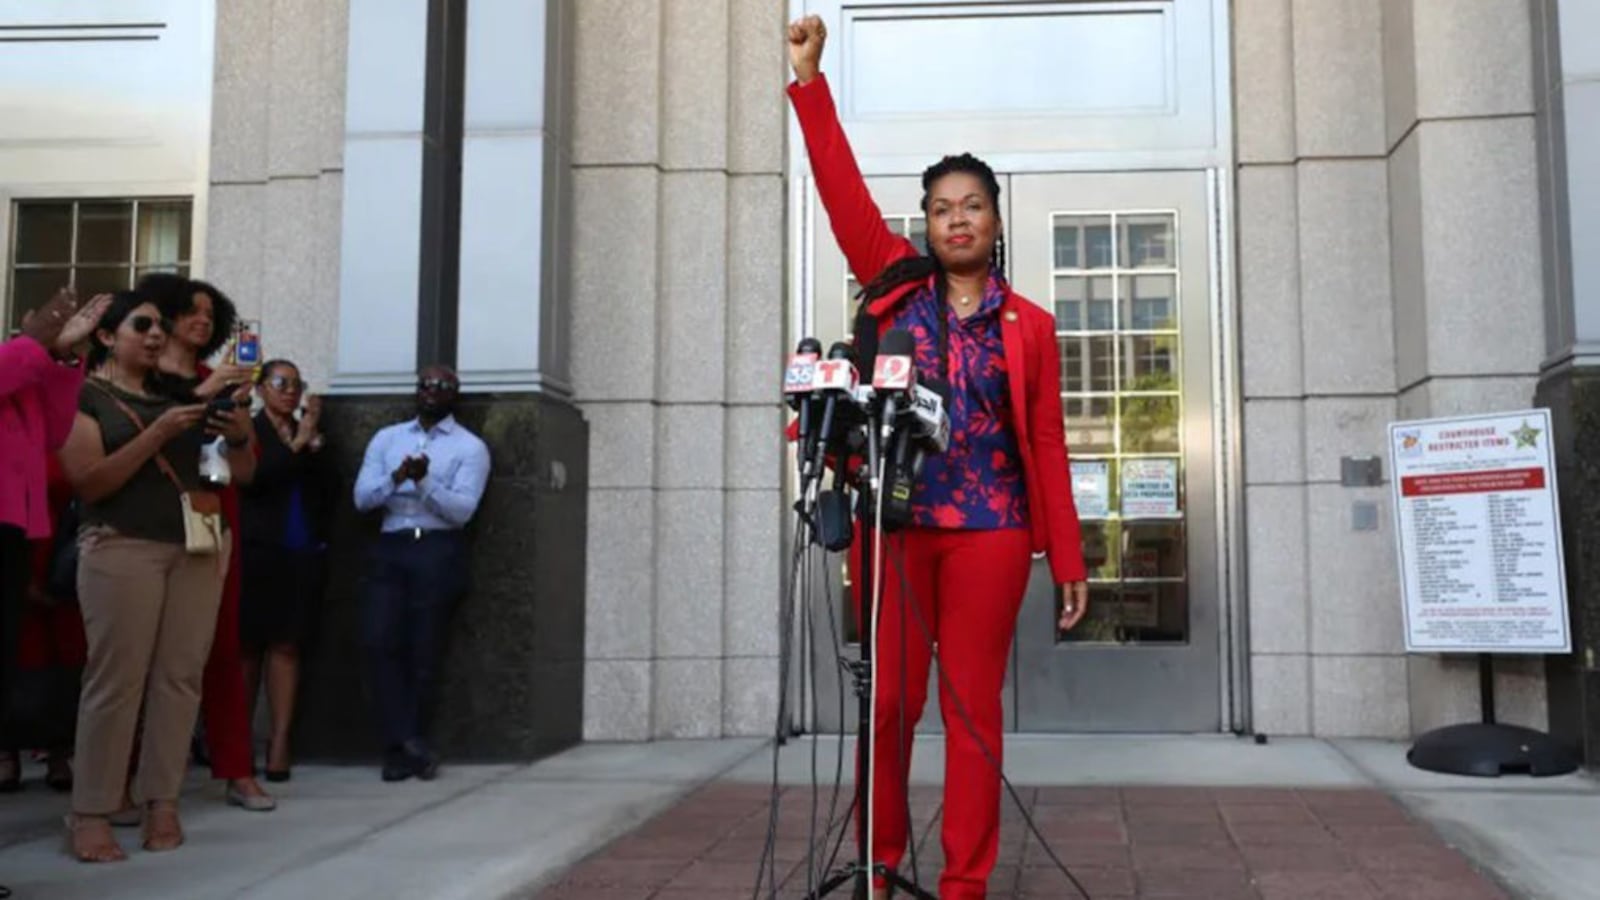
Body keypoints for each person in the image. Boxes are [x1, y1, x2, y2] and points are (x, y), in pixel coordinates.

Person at [785, 17, 1089, 900]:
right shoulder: (894, 280)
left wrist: (1065, 555)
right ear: (924, 224)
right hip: (893, 525)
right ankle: (879, 870)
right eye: (941, 208)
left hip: (992, 533)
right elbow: (840, 189)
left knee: (971, 713)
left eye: (973, 206)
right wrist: (809, 83)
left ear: (996, 221)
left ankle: (963, 883)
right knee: (886, 709)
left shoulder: (1032, 324)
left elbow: (1044, 439)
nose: (957, 219)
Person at [58, 291, 256, 861]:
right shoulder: (87, 396)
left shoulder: (186, 397)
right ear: (106, 336)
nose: (154, 334)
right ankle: (91, 810)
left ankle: (161, 802)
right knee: (115, 683)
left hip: (196, 547)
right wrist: (158, 434)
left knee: (179, 679)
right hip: (122, 547)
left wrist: (239, 433)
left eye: (157, 327)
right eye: (141, 325)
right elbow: (90, 482)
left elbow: (239, 473)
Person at [141, 273, 276, 812]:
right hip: (142, 521)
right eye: (189, 311)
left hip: (210, 514)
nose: (200, 321)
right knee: (135, 655)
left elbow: (245, 472)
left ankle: (237, 770)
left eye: (208, 314)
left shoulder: (220, 382)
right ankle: (126, 777)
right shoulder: (136, 377)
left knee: (220, 647)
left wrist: (241, 431)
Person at [0, 288, 104, 896]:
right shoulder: (17, 358)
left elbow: (56, 428)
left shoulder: (25, 364)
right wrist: (38, 344)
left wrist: (64, 362)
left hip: (13, 532)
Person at [353, 365, 489, 782]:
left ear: (456, 395)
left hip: (436, 548)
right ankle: (407, 742)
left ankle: (404, 746)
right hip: (391, 545)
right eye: (425, 385)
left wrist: (424, 480)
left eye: (442, 386)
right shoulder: (388, 439)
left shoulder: (470, 448)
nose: (432, 392)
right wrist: (397, 477)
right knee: (379, 643)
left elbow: (463, 511)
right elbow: (362, 499)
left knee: (423, 651)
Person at [239, 359, 334, 782]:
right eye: (280, 383)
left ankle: (279, 741)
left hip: (299, 551)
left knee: (287, 645)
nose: (290, 392)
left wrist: (313, 444)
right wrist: (299, 441)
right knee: (246, 650)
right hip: (256, 550)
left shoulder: (308, 434)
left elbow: (331, 489)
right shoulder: (246, 428)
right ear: (261, 389)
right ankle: (236, 744)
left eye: (297, 384)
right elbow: (256, 479)